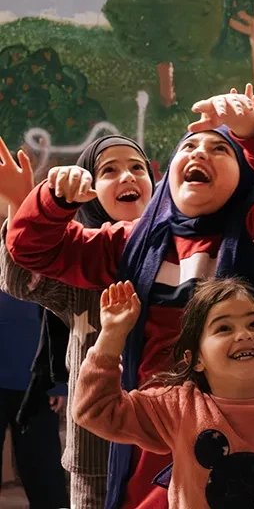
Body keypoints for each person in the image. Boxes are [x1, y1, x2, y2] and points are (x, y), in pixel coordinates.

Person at [6, 84, 254, 509]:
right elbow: (33, 250)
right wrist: (52, 199)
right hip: (156, 435)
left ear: (246, 174)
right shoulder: (132, 242)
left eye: (219, 149)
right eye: (188, 146)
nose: (198, 153)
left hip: (250, 431)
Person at [73, 278, 254, 508]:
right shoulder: (177, 406)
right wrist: (111, 336)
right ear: (195, 359)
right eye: (223, 328)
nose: (243, 334)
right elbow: (96, 410)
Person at [0, 133, 155, 509]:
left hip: (163, 446)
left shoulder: (175, 255)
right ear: (89, 189)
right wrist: (22, 205)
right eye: (109, 170)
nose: (127, 176)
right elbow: (19, 280)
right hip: (95, 457)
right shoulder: (78, 265)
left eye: (137, 167)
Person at [0, 284, 69, 509]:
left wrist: (57, 383)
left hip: (35, 385)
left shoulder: (35, 265)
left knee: (44, 473)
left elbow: (55, 323)